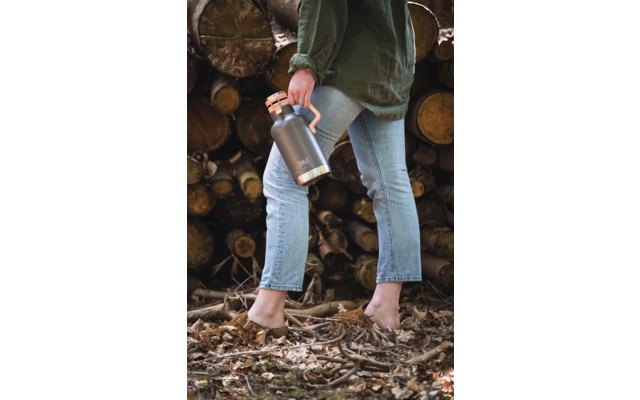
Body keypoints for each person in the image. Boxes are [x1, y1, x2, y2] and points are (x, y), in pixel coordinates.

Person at [226, 0, 421, 336]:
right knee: (390, 183)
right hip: (390, 63)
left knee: (284, 178)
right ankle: (385, 308)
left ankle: (268, 310)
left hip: (346, 65)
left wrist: (307, 64)